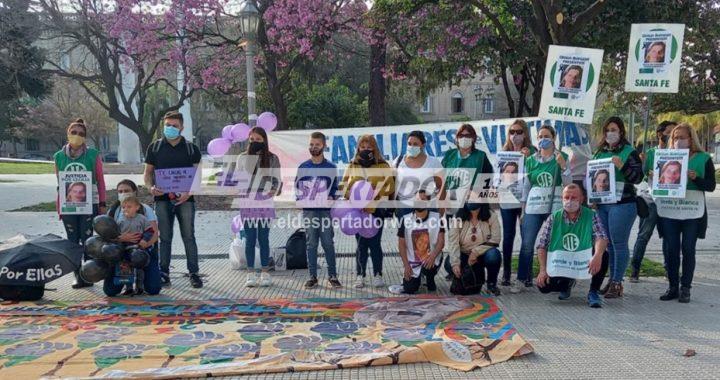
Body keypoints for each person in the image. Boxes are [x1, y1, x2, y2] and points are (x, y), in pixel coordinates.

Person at [144, 111, 203, 288]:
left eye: (174, 125)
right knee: (165, 237)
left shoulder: (192, 148)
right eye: (167, 125)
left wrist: (189, 193)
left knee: (189, 236)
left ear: (182, 128)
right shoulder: (154, 147)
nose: (170, 128)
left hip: (186, 200)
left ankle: (194, 273)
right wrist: (150, 188)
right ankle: (163, 273)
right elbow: (147, 174)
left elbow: (198, 176)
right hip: (161, 199)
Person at [657, 123, 715, 303]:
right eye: (675, 138)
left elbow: (711, 186)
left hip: (692, 211)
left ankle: (686, 288)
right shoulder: (665, 158)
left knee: (688, 249)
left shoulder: (704, 158)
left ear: (691, 139)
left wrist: (695, 178)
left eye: (682, 137)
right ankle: (672, 286)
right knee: (671, 249)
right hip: (670, 210)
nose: (678, 141)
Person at [513, 125, 571, 293]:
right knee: (527, 243)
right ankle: (523, 278)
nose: (542, 139)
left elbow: (568, 184)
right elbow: (526, 186)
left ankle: (555, 278)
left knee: (555, 243)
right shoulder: (530, 160)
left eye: (546, 136)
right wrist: (523, 211)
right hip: (534, 206)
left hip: (554, 206)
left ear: (553, 138)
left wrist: (563, 167)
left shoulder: (562, 157)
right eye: (539, 137)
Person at [591, 117, 644, 298]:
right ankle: (612, 279)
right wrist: (592, 197)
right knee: (609, 245)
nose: (610, 133)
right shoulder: (599, 153)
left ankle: (617, 282)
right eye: (607, 130)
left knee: (619, 243)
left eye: (613, 129)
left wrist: (622, 166)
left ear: (621, 131)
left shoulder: (629, 152)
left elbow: (637, 178)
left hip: (623, 203)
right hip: (602, 204)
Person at [535, 184, 609, 308]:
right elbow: (542, 245)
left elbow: (601, 237)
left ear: (581, 199)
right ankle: (566, 283)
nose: (569, 201)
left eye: (574, 198)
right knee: (544, 286)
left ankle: (593, 291)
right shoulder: (554, 217)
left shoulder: (591, 215)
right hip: (562, 259)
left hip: (582, 256)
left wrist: (597, 255)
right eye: (566, 197)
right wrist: (543, 270)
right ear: (562, 198)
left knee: (604, 255)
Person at [54, 118, 107, 289]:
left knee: (88, 240)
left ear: (85, 137)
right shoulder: (59, 157)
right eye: (74, 132)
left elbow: (100, 181)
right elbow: (59, 184)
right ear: (68, 134)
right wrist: (59, 207)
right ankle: (77, 274)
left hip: (88, 204)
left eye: (81, 134)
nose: (77, 136)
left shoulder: (93, 155)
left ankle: (88, 274)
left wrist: (102, 203)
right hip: (69, 205)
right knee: (72, 240)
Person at [341, 135, 395, 289]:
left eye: (369, 147)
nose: (366, 150)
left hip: (376, 210)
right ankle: (360, 275)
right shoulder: (352, 165)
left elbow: (390, 186)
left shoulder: (383, 165)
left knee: (375, 244)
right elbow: (343, 186)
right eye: (362, 147)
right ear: (358, 148)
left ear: (375, 148)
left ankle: (378, 274)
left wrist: (372, 194)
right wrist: (355, 197)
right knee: (361, 244)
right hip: (357, 211)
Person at [630, 121, 676, 282]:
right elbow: (641, 176)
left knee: (669, 237)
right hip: (650, 200)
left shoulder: (678, 154)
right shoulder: (650, 154)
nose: (671, 136)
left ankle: (669, 269)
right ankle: (635, 269)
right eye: (669, 132)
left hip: (669, 202)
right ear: (660, 134)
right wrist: (642, 165)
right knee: (643, 235)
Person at [236, 127, 281, 288]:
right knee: (250, 238)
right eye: (252, 140)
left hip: (265, 200)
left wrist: (273, 190)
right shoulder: (242, 158)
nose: (255, 142)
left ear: (264, 141)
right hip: (247, 200)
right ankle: (250, 273)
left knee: (263, 238)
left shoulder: (272, 158)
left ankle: (265, 272)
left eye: (258, 140)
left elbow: (277, 181)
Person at [295, 132, 341, 289]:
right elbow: (298, 188)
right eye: (311, 144)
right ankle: (312, 276)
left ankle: (333, 276)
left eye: (317, 144)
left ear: (324, 146)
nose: (313, 147)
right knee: (311, 244)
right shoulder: (303, 167)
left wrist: (333, 197)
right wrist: (299, 198)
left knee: (328, 243)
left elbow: (336, 188)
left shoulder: (331, 167)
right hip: (309, 211)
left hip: (325, 212)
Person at [104, 179, 162, 296]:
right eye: (120, 191)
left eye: (127, 190)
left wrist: (145, 243)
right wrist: (121, 239)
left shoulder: (145, 209)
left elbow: (154, 233)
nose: (123, 193)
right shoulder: (113, 211)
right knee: (110, 291)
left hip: (143, 249)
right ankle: (127, 286)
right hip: (122, 251)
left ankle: (141, 284)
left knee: (153, 289)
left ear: (134, 192)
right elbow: (107, 236)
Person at [498, 119, 536, 287]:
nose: (515, 135)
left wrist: (529, 159)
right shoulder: (504, 152)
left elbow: (536, 172)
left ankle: (526, 273)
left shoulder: (533, 152)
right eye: (512, 132)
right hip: (507, 200)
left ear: (525, 133)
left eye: (519, 132)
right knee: (508, 236)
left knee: (526, 237)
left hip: (525, 200)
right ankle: (506, 273)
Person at [447, 199, 502, 295]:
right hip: (464, 254)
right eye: (468, 197)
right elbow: (453, 242)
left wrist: (476, 252)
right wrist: (455, 263)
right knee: (448, 263)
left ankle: (491, 284)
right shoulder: (458, 217)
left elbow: (495, 239)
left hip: (483, 254)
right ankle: (464, 277)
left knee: (494, 256)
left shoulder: (491, 216)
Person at [397, 191, 444, 294]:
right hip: (413, 261)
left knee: (429, 267)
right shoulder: (405, 220)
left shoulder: (437, 218)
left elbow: (441, 241)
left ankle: (430, 278)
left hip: (431, 258)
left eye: (423, 200)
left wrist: (432, 257)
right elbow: (401, 244)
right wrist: (406, 266)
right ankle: (418, 278)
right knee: (409, 288)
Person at [441, 124, 493, 216]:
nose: (464, 138)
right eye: (461, 135)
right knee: (453, 230)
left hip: (473, 205)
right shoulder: (449, 155)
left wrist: (474, 192)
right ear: (457, 138)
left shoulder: (481, 156)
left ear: (473, 138)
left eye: (468, 135)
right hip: (452, 203)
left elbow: (488, 179)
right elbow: (441, 179)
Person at [393, 130, 444, 220]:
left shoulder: (433, 162)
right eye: (409, 143)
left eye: (415, 144)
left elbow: (442, 186)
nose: (411, 146)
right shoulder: (398, 161)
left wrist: (442, 207)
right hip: (404, 210)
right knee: (405, 234)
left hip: (428, 208)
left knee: (428, 234)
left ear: (423, 145)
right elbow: (392, 185)